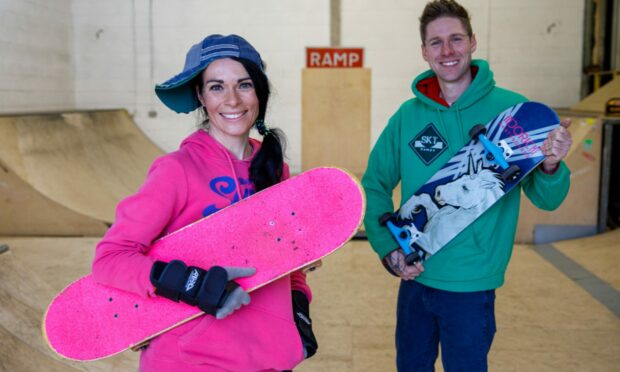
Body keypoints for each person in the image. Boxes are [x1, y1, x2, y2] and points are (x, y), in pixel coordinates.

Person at [362, 1, 573, 371]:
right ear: (424, 51)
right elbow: (374, 183)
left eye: (456, 39)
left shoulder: (513, 111)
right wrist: (386, 248)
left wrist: (552, 163)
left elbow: (548, 199)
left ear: (473, 42)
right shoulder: (407, 116)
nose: (447, 51)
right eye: (437, 42)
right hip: (415, 274)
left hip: (472, 284)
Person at [92, 34, 317, 372]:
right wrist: (191, 283)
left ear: (259, 92)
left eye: (243, 85)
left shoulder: (274, 168)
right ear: (200, 95)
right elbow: (111, 259)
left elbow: (288, 260)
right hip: (191, 360)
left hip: (268, 357)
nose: (231, 100)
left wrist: (299, 305)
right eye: (216, 87)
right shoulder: (176, 171)